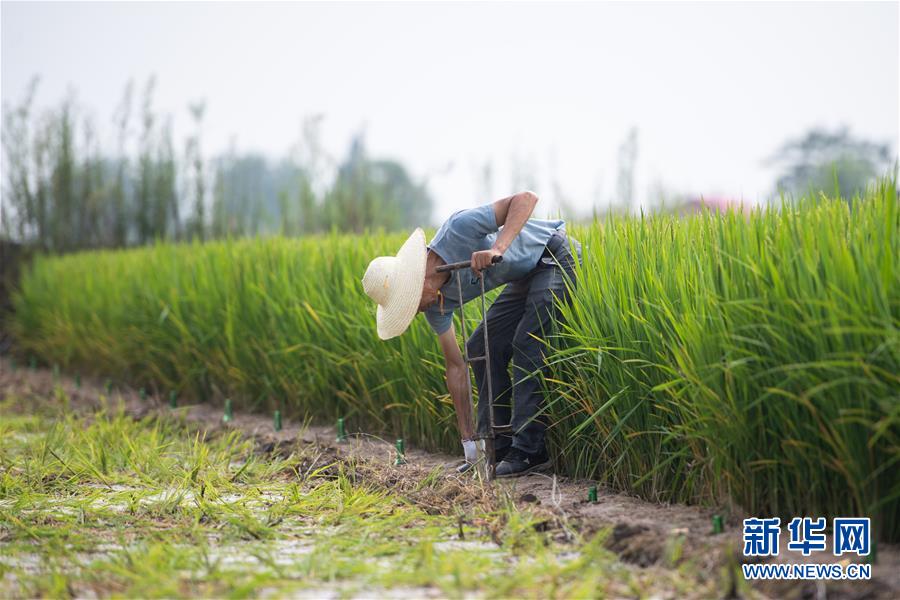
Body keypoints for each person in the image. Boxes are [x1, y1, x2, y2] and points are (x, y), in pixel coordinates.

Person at [361, 191, 581, 477]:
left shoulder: (457, 230)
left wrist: (498, 248)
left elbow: (526, 199)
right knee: (479, 346)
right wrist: (469, 444)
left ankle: (529, 451)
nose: (415, 313)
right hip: (525, 277)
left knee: (527, 343)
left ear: (419, 282)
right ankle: (496, 446)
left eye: (410, 305)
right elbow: (455, 366)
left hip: (553, 256)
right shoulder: (434, 304)